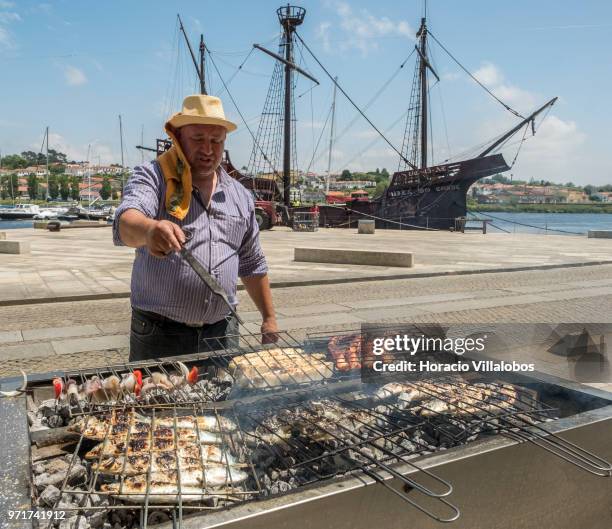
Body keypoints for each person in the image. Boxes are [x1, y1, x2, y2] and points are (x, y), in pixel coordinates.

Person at [113, 94, 279, 361]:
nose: (208, 149)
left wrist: (269, 318)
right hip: (160, 333)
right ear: (178, 138)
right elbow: (125, 221)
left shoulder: (239, 195)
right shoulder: (154, 177)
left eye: (216, 141)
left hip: (223, 331)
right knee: (159, 402)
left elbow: (251, 262)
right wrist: (149, 230)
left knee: (224, 401)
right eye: (198, 139)